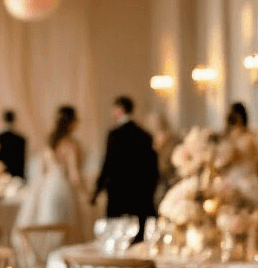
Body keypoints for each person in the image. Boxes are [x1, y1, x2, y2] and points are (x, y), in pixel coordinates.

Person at [92, 96, 159, 240]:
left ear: (119, 110)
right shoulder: (145, 135)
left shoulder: (115, 135)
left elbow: (108, 164)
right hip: (140, 194)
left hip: (118, 193)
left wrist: (97, 189)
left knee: (117, 236)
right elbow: (152, 169)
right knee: (138, 237)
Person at [16, 105, 87, 239]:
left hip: (47, 189)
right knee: (65, 229)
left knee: (49, 225)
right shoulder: (70, 145)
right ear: (72, 122)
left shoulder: (48, 144)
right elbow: (74, 176)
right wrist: (86, 193)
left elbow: (41, 172)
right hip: (63, 190)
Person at [217, 101, 258, 213]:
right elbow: (223, 163)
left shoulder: (250, 137)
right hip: (230, 180)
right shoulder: (226, 137)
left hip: (247, 180)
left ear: (242, 116)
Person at [0, 109, 27, 180]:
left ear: (3, 119)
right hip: (16, 177)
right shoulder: (21, 139)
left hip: (0, 177)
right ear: (14, 120)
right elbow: (22, 163)